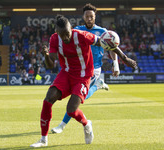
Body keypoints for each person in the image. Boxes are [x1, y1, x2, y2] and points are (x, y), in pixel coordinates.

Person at [30, 14, 136, 148]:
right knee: (48, 99)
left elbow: (107, 42)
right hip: (66, 73)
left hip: (83, 75)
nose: (66, 37)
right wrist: (46, 56)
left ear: (71, 28)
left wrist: (124, 59)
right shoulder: (54, 39)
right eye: (63, 35)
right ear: (57, 33)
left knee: (71, 110)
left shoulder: (82, 35)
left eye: (68, 33)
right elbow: (50, 65)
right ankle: (43, 140)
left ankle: (87, 124)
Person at [51, 3, 120, 134]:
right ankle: (98, 85)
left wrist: (115, 64)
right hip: (79, 69)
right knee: (78, 97)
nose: (89, 18)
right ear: (83, 16)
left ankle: (62, 125)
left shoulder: (102, 32)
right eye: (87, 16)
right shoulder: (77, 30)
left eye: (91, 16)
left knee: (76, 98)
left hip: (94, 69)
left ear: (95, 17)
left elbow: (112, 47)